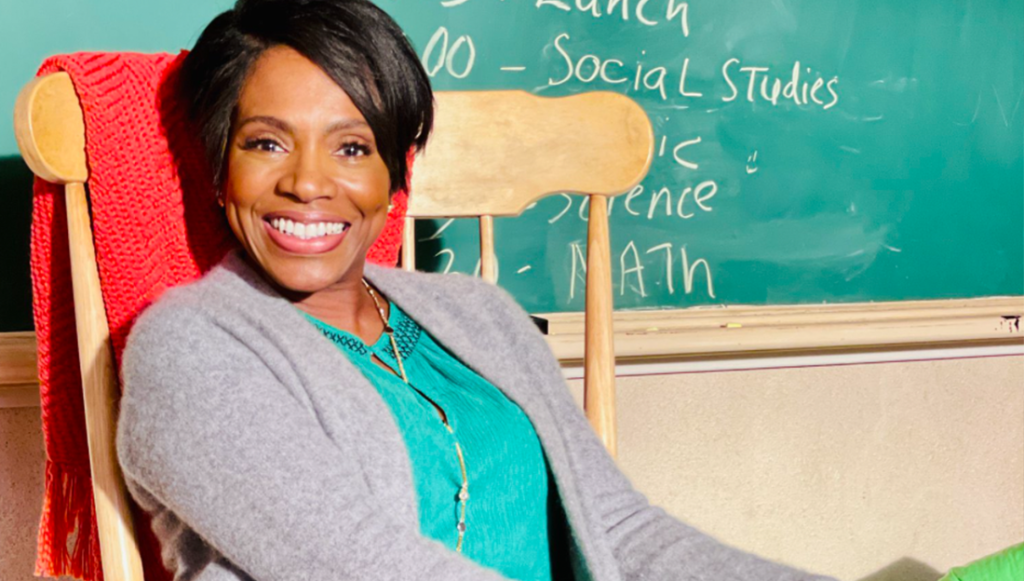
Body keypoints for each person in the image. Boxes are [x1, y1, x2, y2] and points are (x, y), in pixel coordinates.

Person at [115, 0, 838, 579]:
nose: (307, 183)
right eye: (267, 143)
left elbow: (619, 526)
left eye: (353, 147)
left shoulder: (481, 314)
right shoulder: (187, 349)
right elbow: (368, 565)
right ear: (218, 171)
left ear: (395, 175)